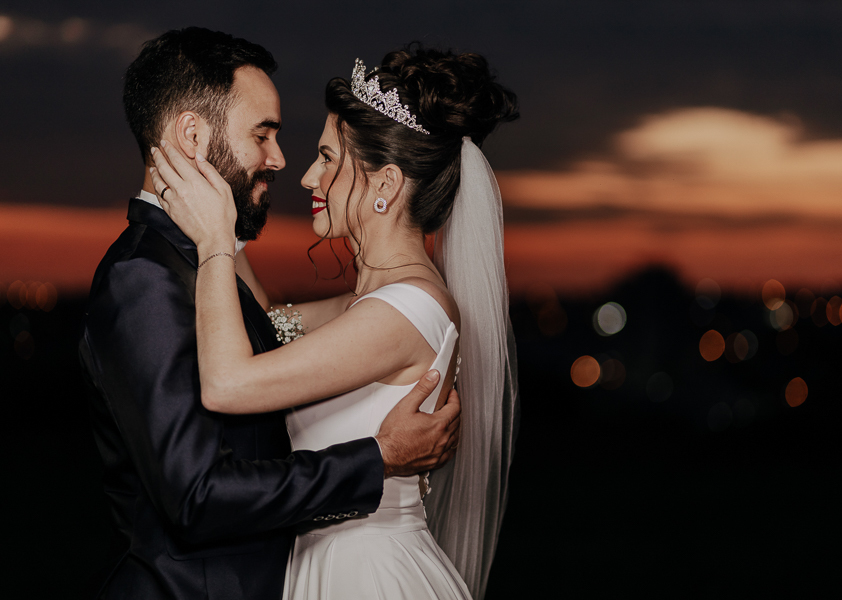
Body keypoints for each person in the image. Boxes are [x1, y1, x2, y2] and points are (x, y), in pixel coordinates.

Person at [79, 28, 460, 600]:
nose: (285, 161)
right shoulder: (145, 277)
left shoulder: (207, 267)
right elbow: (196, 496)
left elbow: (277, 327)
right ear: (192, 135)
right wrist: (378, 457)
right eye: (264, 134)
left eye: (323, 156)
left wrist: (219, 242)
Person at [150, 45, 519, 600]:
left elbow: (229, 382)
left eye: (327, 158)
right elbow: (258, 323)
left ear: (386, 184)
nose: (307, 177)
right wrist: (224, 202)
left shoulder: (407, 311)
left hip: (368, 574)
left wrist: (212, 241)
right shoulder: (369, 306)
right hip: (327, 564)